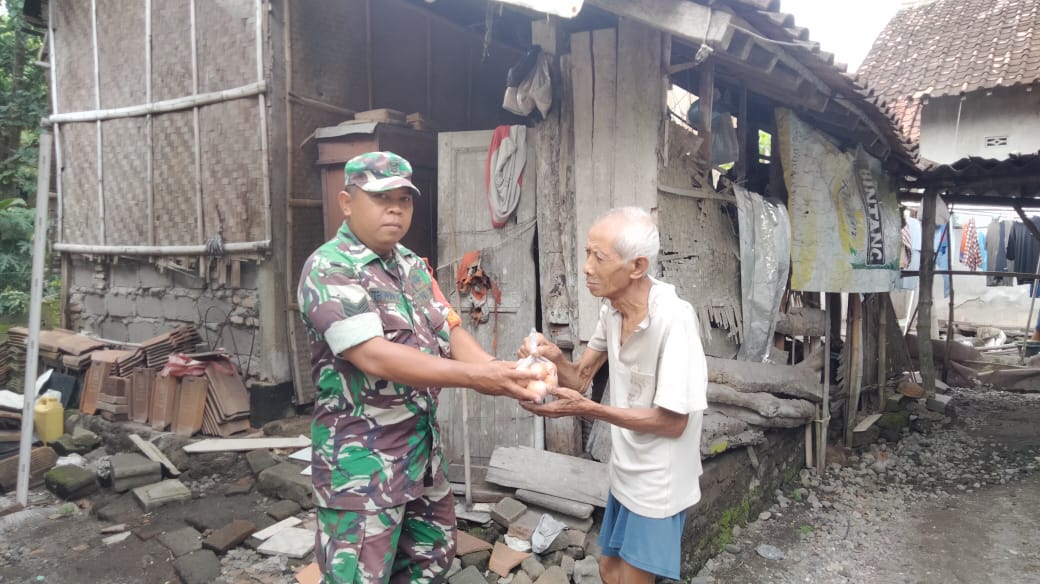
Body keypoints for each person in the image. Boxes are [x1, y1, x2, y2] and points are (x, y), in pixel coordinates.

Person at [297, 151, 540, 584]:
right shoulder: (330, 268)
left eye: (404, 199)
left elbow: (449, 330)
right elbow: (373, 354)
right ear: (347, 202)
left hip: (420, 460)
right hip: (363, 471)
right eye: (381, 197)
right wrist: (478, 378)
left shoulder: (411, 266)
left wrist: (504, 376)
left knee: (430, 564)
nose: (395, 208)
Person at [519, 207, 708, 584]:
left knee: (633, 579)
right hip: (624, 471)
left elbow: (672, 422)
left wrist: (588, 409)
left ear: (636, 266)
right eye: (587, 253)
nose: (586, 267)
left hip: (658, 482)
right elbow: (580, 379)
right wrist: (556, 357)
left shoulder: (674, 319)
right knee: (608, 568)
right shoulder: (612, 310)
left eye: (598, 257)